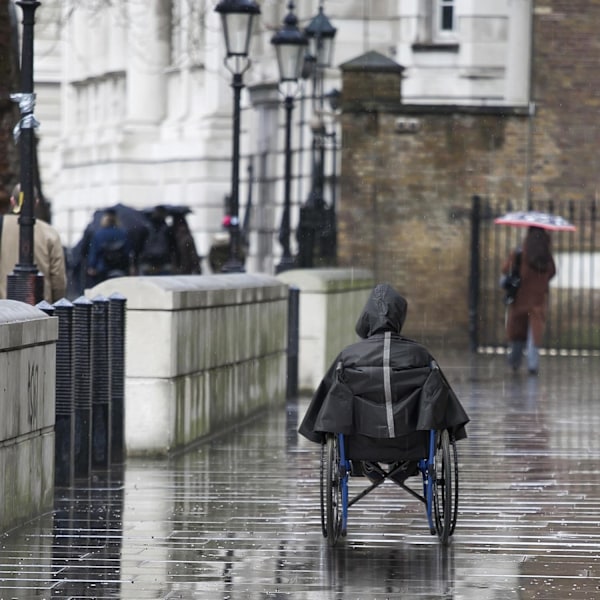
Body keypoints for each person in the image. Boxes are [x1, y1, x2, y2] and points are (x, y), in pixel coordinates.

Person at [298, 283, 469, 483]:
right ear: (399, 317)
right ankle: (404, 469)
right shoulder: (420, 355)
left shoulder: (349, 356)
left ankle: (367, 467)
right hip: (410, 444)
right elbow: (442, 402)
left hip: (360, 443)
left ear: (367, 317)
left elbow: (326, 400)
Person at [501, 226, 556, 375]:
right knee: (534, 333)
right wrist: (540, 281)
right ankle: (533, 365)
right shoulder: (546, 255)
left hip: (520, 298)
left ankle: (514, 361)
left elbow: (505, 269)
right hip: (538, 300)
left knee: (517, 333)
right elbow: (552, 272)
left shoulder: (520, 253)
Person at [0, 184, 67, 303]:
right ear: (36, 202)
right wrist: (57, 302)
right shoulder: (49, 232)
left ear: (12, 201)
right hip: (39, 306)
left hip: (5, 307)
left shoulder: (2, 225)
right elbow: (58, 278)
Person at [86, 208, 132, 286]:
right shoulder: (123, 233)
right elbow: (127, 252)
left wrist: (92, 266)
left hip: (103, 268)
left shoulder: (98, 234)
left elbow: (94, 252)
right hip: (120, 268)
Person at [138, 206, 176, 275]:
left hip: (149, 261)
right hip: (161, 261)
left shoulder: (146, 227)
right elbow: (173, 247)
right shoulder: (167, 229)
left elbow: (139, 246)